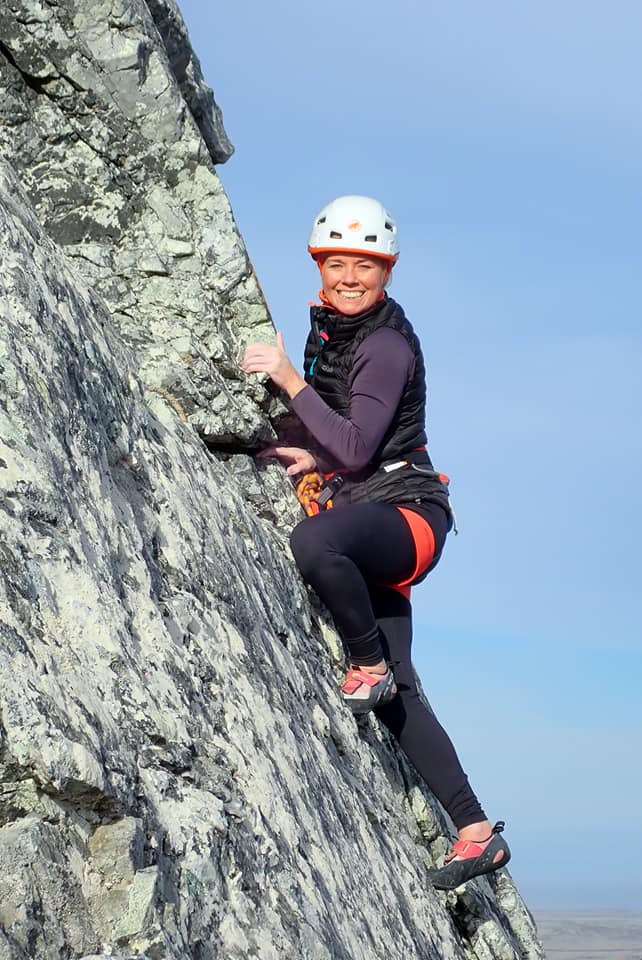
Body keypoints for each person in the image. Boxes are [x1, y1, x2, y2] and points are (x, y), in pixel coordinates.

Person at [241, 195, 510, 890]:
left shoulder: (385, 344)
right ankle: (476, 832)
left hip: (409, 517)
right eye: (338, 262)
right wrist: (315, 459)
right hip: (374, 515)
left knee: (314, 542)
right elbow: (344, 443)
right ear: (320, 266)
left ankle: (367, 663)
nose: (350, 276)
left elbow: (359, 446)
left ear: (385, 272)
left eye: (365, 264)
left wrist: (287, 381)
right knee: (403, 698)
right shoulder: (332, 331)